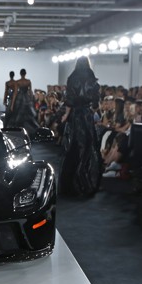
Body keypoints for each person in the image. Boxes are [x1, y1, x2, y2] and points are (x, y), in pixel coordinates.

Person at [60, 56, 102, 196]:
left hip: (75, 116)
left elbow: (69, 100)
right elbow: (96, 103)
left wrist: (66, 115)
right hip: (87, 116)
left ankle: (71, 184)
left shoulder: (72, 78)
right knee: (89, 147)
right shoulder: (92, 80)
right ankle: (87, 182)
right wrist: (93, 108)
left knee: (74, 147)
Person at [5, 68, 38, 136]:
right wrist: (31, 100)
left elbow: (15, 93)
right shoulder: (28, 81)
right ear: (25, 74)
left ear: (20, 74)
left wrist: (12, 105)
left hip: (19, 98)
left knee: (17, 114)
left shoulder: (18, 82)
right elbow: (30, 91)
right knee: (28, 115)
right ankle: (30, 132)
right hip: (26, 98)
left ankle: (17, 131)